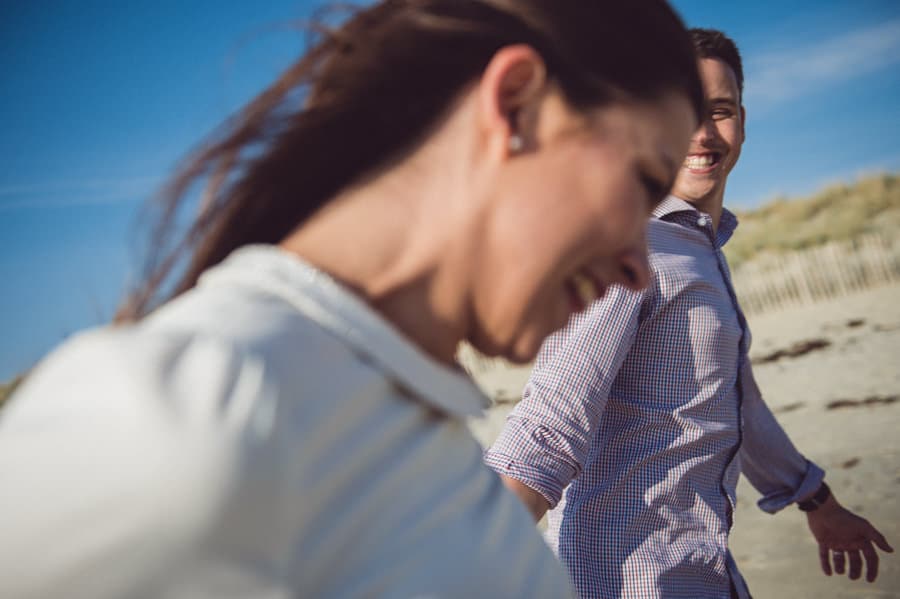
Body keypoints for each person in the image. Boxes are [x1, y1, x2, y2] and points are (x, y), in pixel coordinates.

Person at [0, 2, 705, 597]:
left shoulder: (414, 433)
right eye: (645, 180)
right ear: (516, 101)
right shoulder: (194, 413)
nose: (641, 270)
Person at [485, 28, 893, 599]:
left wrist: (817, 501)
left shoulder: (698, 251)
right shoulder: (624, 249)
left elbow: (734, 402)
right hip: (624, 581)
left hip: (701, 569)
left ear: (743, 122)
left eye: (719, 111)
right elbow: (551, 425)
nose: (701, 134)